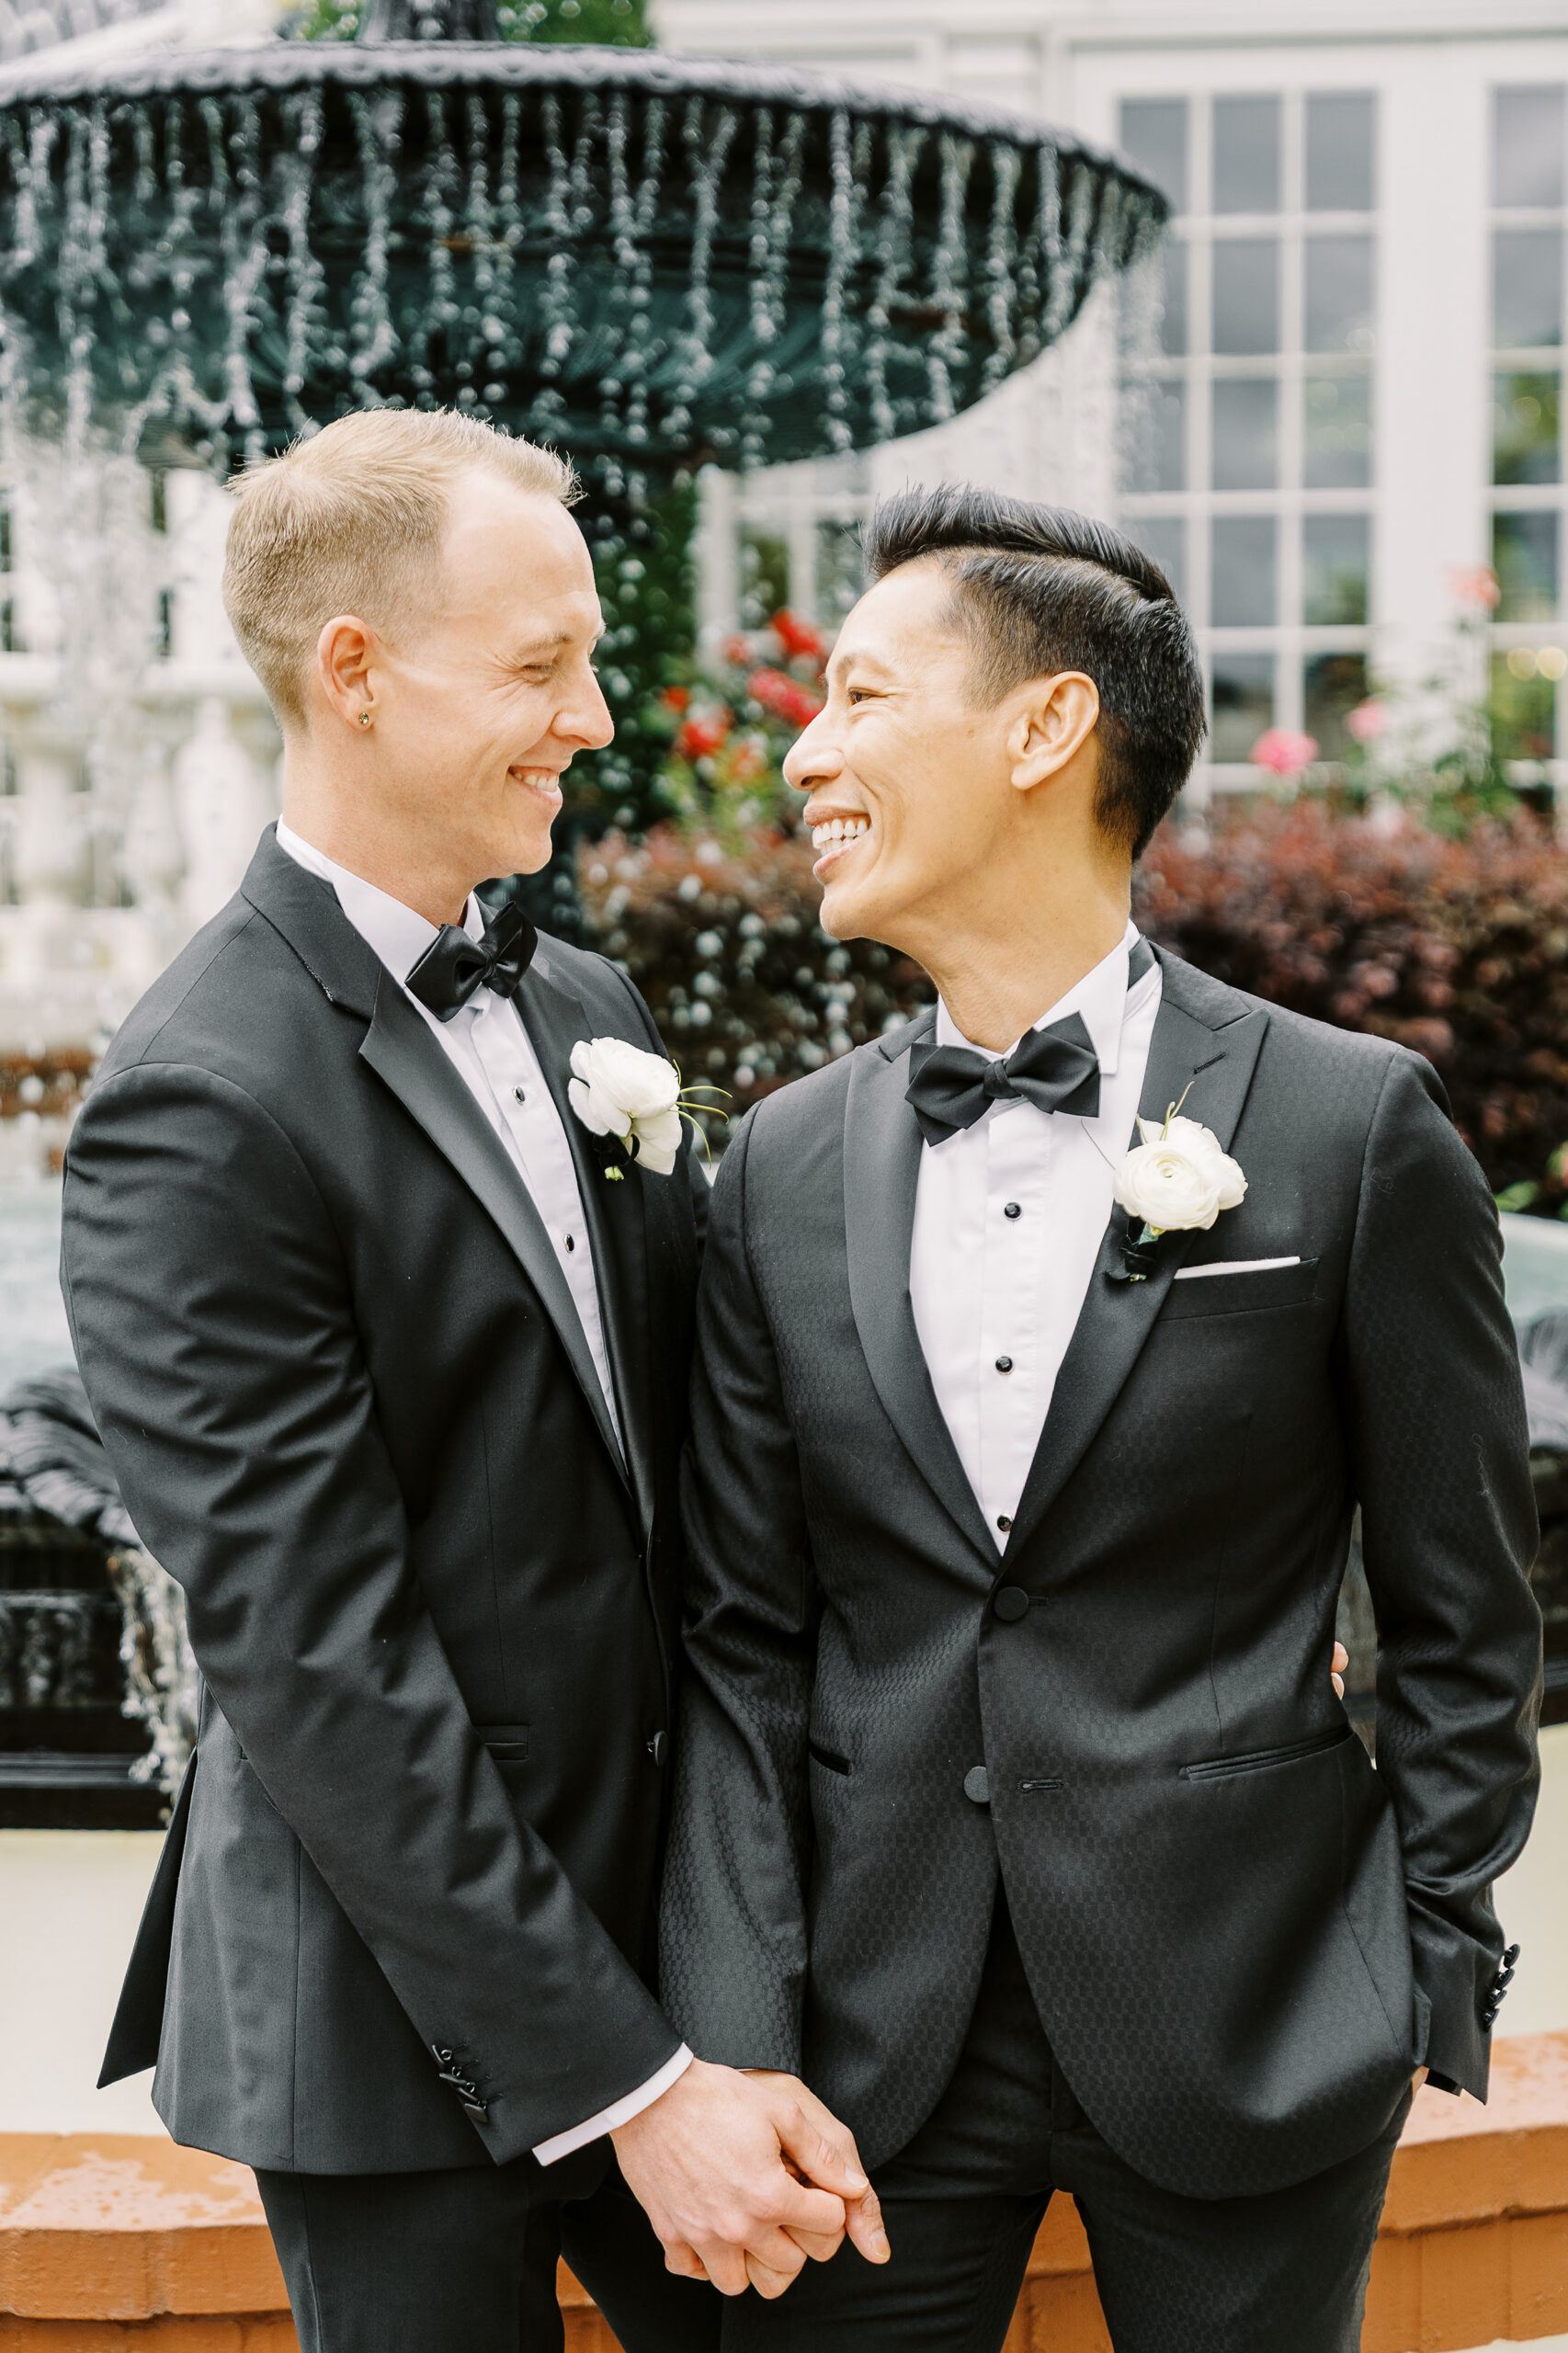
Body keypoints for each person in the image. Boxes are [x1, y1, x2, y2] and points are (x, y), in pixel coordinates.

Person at [658, 484, 1544, 2349]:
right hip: (863, 2057)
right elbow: (738, 1647)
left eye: (864, 696)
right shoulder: (778, 1162)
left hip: (1252, 2019)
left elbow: (1465, 1605)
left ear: (1045, 728)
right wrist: (732, 2042)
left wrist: (1423, 1962)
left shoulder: (1348, 1124)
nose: (805, 752)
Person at [61, 408, 881, 2353]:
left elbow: (712, 1443)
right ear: (353, 671)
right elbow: (319, 1657)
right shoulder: (199, 1096)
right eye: (539, 664)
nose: (592, 714)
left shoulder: (583, 1000)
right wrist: (635, 2083)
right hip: (387, 2016)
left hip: (678, 1952)